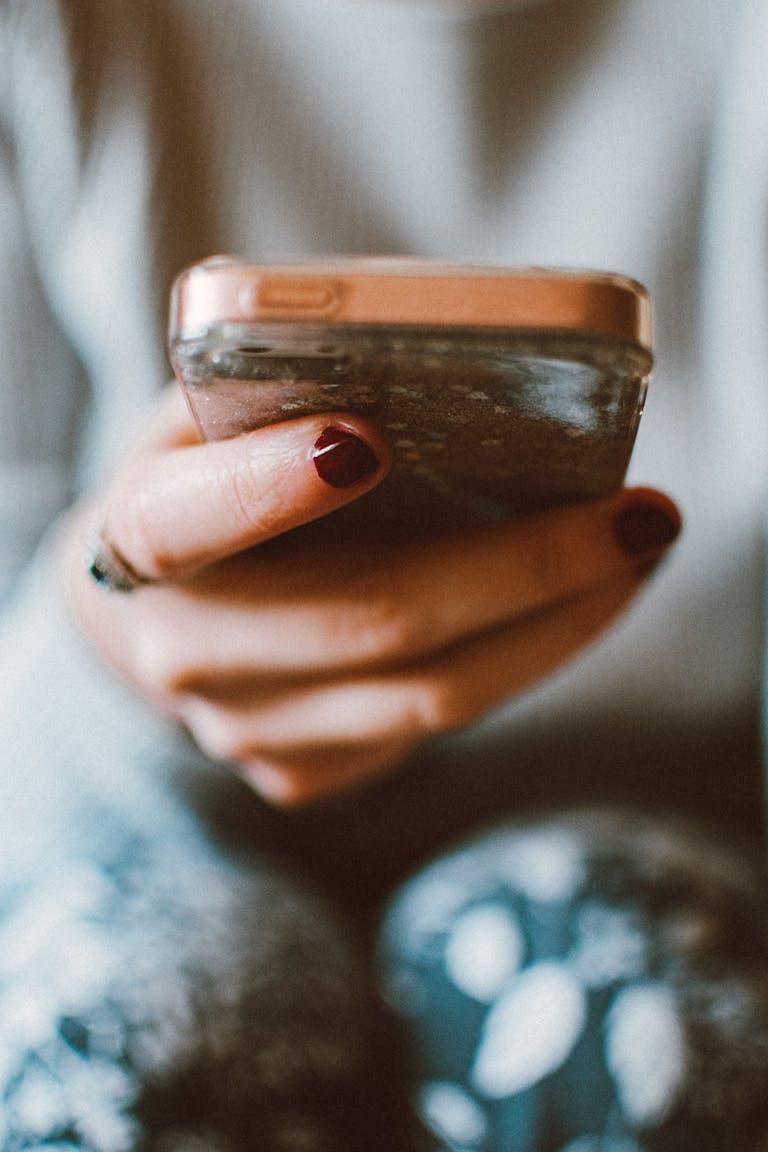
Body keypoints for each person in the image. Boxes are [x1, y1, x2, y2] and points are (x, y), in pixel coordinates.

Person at [1, 0, 767, 1149]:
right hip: (154, 832)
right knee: (122, 1021)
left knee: (622, 997)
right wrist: (103, 642)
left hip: (666, 843)